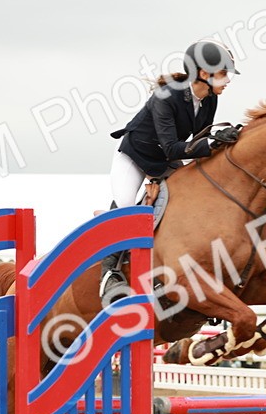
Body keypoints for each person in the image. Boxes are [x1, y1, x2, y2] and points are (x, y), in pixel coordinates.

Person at [99, 39, 241, 306]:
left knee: (185, 206)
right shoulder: (166, 96)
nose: (228, 80)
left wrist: (222, 138)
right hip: (136, 156)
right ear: (202, 73)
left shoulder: (209, 99)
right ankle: (109, 275)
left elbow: (201, 136)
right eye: (223, 73)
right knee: (127, 207)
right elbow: (173, 147)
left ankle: (169, 269)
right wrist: (211, 143)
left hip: (166, 161)